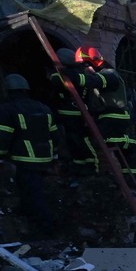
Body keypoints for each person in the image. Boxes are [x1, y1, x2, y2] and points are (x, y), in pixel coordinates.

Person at [0, 74, 60, 233]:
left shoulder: (6, 110)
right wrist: (55, 158)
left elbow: (2, 138)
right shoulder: (44, 108)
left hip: (24, 160)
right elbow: (55, 135)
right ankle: (31, 217)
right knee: (33, 190)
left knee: (33, 193)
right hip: (44, 158)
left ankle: (45, 228)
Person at [73, 47, 136, 180]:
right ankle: (131, 183)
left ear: (93, 63)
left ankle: (93, 174)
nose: (83, 69)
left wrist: (69, 74)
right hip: (106, 119)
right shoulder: (99, 78)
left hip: (114, 119)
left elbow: (93, 81)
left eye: (85, 65)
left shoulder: (109, 75)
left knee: (90, 139)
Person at [48, 48, 97, 180]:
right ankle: (80, 166)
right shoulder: (66, 74)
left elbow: (78, 81)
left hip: (78, 114)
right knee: (74, 140)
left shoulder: (75, 74)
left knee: (81, 140)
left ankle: (92, 166)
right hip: (72, 114)